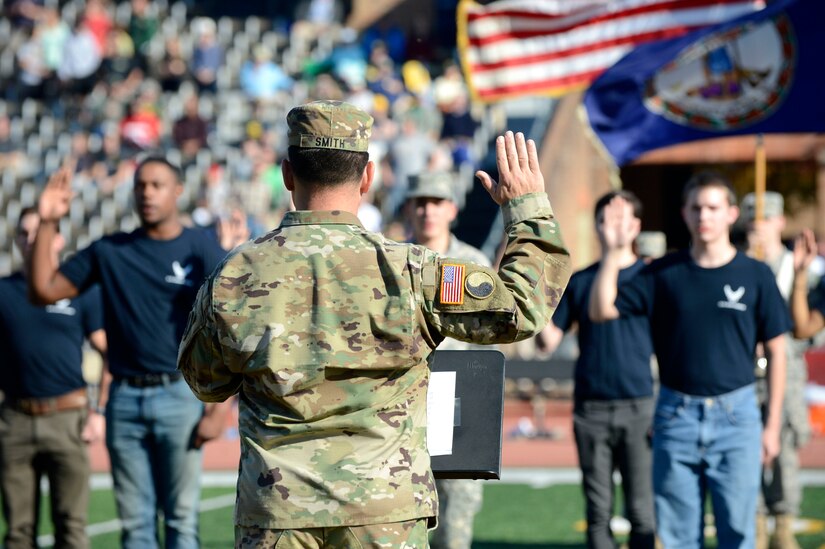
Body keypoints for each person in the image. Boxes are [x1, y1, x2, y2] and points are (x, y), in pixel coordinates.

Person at [177, 100, 571, 548]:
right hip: (384, 515)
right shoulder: (414, 270)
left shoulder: (237, 273)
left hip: (277, 512)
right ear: (368, 177)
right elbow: (523, 306)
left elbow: (204, 382)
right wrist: (527, 208)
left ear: (288, 174)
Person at [28, 157, 248, 549]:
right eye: (141, 185)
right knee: (135, 526)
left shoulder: (201, 247)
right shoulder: (110, 250)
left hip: (180, 395)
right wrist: (47, 221)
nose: (147, 193)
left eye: (157, 185)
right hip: (124, 400)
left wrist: (218, 411)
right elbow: (43, 289)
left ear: (178, 191)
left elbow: (230, 330)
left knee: (181, 521)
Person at [589, 171, 789, 548]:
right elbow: (601, 310)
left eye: (713, 207)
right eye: (696, 208)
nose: (704, 216)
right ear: (684, 213)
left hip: (738, 417)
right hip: (675, 415)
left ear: (732, 214)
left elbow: (778, 352)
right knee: (679, 537)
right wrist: (614, 253)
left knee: (739, 534)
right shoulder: (663, 272)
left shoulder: (756, 274)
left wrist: (772, 425)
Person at [542, 190, 655, 549]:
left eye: (622, 220)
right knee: (598, 511)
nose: (614, 228)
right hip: (591, 408)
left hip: (639, 405)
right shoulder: (582, 279)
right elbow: (547, 342)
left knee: (642, 511)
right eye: (607, 219)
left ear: (636, 226)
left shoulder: (650, 277)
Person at [0, 207, 106, 549]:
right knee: (17, 533)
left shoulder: (79, 290)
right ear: (15, 241)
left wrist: (97, 412)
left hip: (68, 419)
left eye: (38, 232)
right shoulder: (2, 292)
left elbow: (109, 353)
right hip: (14, 419)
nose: (31, 241)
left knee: (71, 529)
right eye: (24, 234)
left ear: (57, 239)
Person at [402, 171, 489, 549]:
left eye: (436, 203)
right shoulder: (392, 259)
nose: (428, 211)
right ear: (409, 209)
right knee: (402, 511)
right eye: (420, 203)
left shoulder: (470, 262)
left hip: (457, 398)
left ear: (452, 209)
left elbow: (489, 335)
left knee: (456, 513)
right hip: (402, 400)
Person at [742, 192, 815, 549]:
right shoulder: (736, 264)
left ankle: (783, 523)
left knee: (784, 447)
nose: (761, 227)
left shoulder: (798, 265)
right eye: (754, 220)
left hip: (786, 371)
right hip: (744, 372)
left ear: (780, 221)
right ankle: (754, 521)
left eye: (767, 219)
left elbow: (805, 325)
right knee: (745, 449)